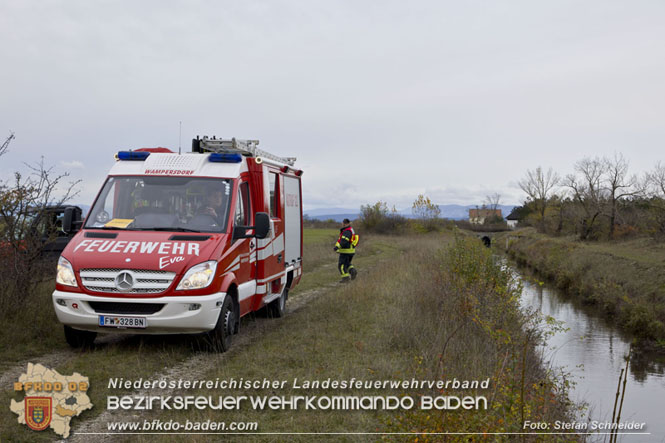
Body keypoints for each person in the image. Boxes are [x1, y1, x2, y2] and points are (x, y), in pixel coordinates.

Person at [333, 218, 359, 283]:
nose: (342, 224)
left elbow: (344, 241)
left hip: (346, 251)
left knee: (341, 265)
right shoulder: (351, 230)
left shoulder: (347, 231)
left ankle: (345, 278)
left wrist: (337, 247)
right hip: (351, 251)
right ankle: (353, 271)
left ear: (345, 223)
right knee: (347, 264)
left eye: (342, 223)